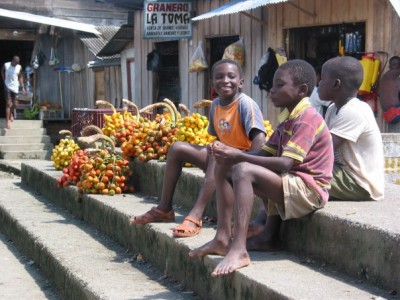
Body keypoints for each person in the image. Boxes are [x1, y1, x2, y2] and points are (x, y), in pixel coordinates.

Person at [189, 59, 334, 276]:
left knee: (243, 170)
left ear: (301, 90)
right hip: (291, 182)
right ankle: (222, 238)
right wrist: (228, 155)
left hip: (310, 190)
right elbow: (265, 153)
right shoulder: (288, 119)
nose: (271, 90)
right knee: (224, 165)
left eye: (279, 85)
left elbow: (286, 163)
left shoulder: (306, 118)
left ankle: (239, 250)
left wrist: (238, 155)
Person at [130, 59, 266, 238]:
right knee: (177, 148)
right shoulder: (216, 105)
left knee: (218, 155)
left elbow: (260, 140)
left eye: (231, 77)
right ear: (212, 83)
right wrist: (215, 147)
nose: (225, 80)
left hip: (244, 159)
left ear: (241, 82)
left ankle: (196, 214)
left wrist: (244, 162)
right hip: (224, 156)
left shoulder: (245, 104)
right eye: (219, 77)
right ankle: (164, 209)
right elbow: (220, 136)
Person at [318, 56, 384, 201]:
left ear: (336, 84)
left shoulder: (354, 110)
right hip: (342, 173)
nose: (319, 83)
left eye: (322, 79)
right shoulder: (332, 108)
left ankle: (265, 222)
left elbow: (322, 150)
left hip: (358, 183)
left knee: (294, 172)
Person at [1, 56, 26, 129]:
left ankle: (11, 113)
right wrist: (4, 79)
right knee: (9, 103)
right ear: (12, 60)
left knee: (15, 104)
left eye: (17, 63)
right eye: (15, 63)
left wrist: (23, 87)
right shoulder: (6, 65)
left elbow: (20, 76)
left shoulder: (19, 67)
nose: (16, 65)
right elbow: (2, 70)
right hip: (7, 86)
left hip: (15, 87)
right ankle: (8, 122)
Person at [379, 56, 400, 125]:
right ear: (390, 66)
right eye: (394, 64)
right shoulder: (390, 74)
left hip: (390, 116)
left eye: (397, 64)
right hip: (395, 113)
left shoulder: (390, 78)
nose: (396, 66)